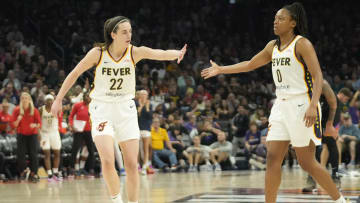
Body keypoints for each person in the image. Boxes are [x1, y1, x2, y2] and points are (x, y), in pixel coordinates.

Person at [201, 2, 345, 202]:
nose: (276, 22)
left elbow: (318, 75)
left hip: (302, 104)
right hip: (281, 105)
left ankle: (340, 200)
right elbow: (250, 64)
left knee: (307, 162)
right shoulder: (272, 46)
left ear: (293, 23)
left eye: (281, 19)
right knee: (272, 158)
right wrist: (221, 69)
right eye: (275, 18)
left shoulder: (302, 44)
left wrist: (313, 105)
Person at [51, 16, 186, 203]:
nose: (129, 35)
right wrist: (58, 99)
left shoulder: (134, 52)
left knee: (131, 164)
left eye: (130, 31)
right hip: (102, 108)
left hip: (126, 109)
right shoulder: (98, 53)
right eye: (124, 31)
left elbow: (158, 53)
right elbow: (74, 73)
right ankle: (116, 200)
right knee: (107, 159)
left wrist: (176, 53)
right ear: (113, 34)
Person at [303, 80, 341, 192]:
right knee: (311, 145)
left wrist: (329, 124)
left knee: (330, 141)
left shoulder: (322, 84)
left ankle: (335, 176)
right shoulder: (301, 83)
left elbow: (333, 104)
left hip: (331, 111)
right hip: (316, 111)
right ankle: (312, 178)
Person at [12, 92, 41, 183]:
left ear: (29, 100)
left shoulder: (34, 110)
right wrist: (18, 119)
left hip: (32, 135)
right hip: (21, 135)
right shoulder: (17, 110)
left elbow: (39, 124)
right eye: (23, 98)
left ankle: (34, 173)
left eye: (26, 98)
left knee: (33, 155)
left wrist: (35, 125)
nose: (24, 100)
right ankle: (23, 172)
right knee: (21, 155)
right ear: (21, 100)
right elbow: (14, 125)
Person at [68, 92, 95, 177]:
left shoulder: (94, 106)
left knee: (91, 150)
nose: (88, 98)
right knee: (75, 149)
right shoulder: (78, 105)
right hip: (79, 130)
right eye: (86, 96)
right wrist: (72, 126)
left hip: (89, 131)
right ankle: (72, 169)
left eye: (89, 96)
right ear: (83, 97)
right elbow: (71, 116)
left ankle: (91, 169)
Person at [39, 94, 63, 182]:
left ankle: (55, 172)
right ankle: (49, 174)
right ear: (45, 101)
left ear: (53, 101)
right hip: (44, 133)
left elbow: (62, 112)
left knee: (57, 152)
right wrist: (38, 133)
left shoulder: (56, 108)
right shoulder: (41, 109)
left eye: (51, 100)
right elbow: (38, 121)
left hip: (54, 133)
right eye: (48, 100)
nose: (49, 101)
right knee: (47, 153)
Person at [136, 89, 153, 175]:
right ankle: (138, 165)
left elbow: (150, 116)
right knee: (137, 149)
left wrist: (146, 107)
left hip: (146, 128)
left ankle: (145, 166)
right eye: (142, 94)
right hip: (137, 128)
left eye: (145, 94)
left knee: (146, 149)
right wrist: (141, 106)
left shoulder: (150, 104)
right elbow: (136, 115)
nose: (143, 96)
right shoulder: (136, 103)